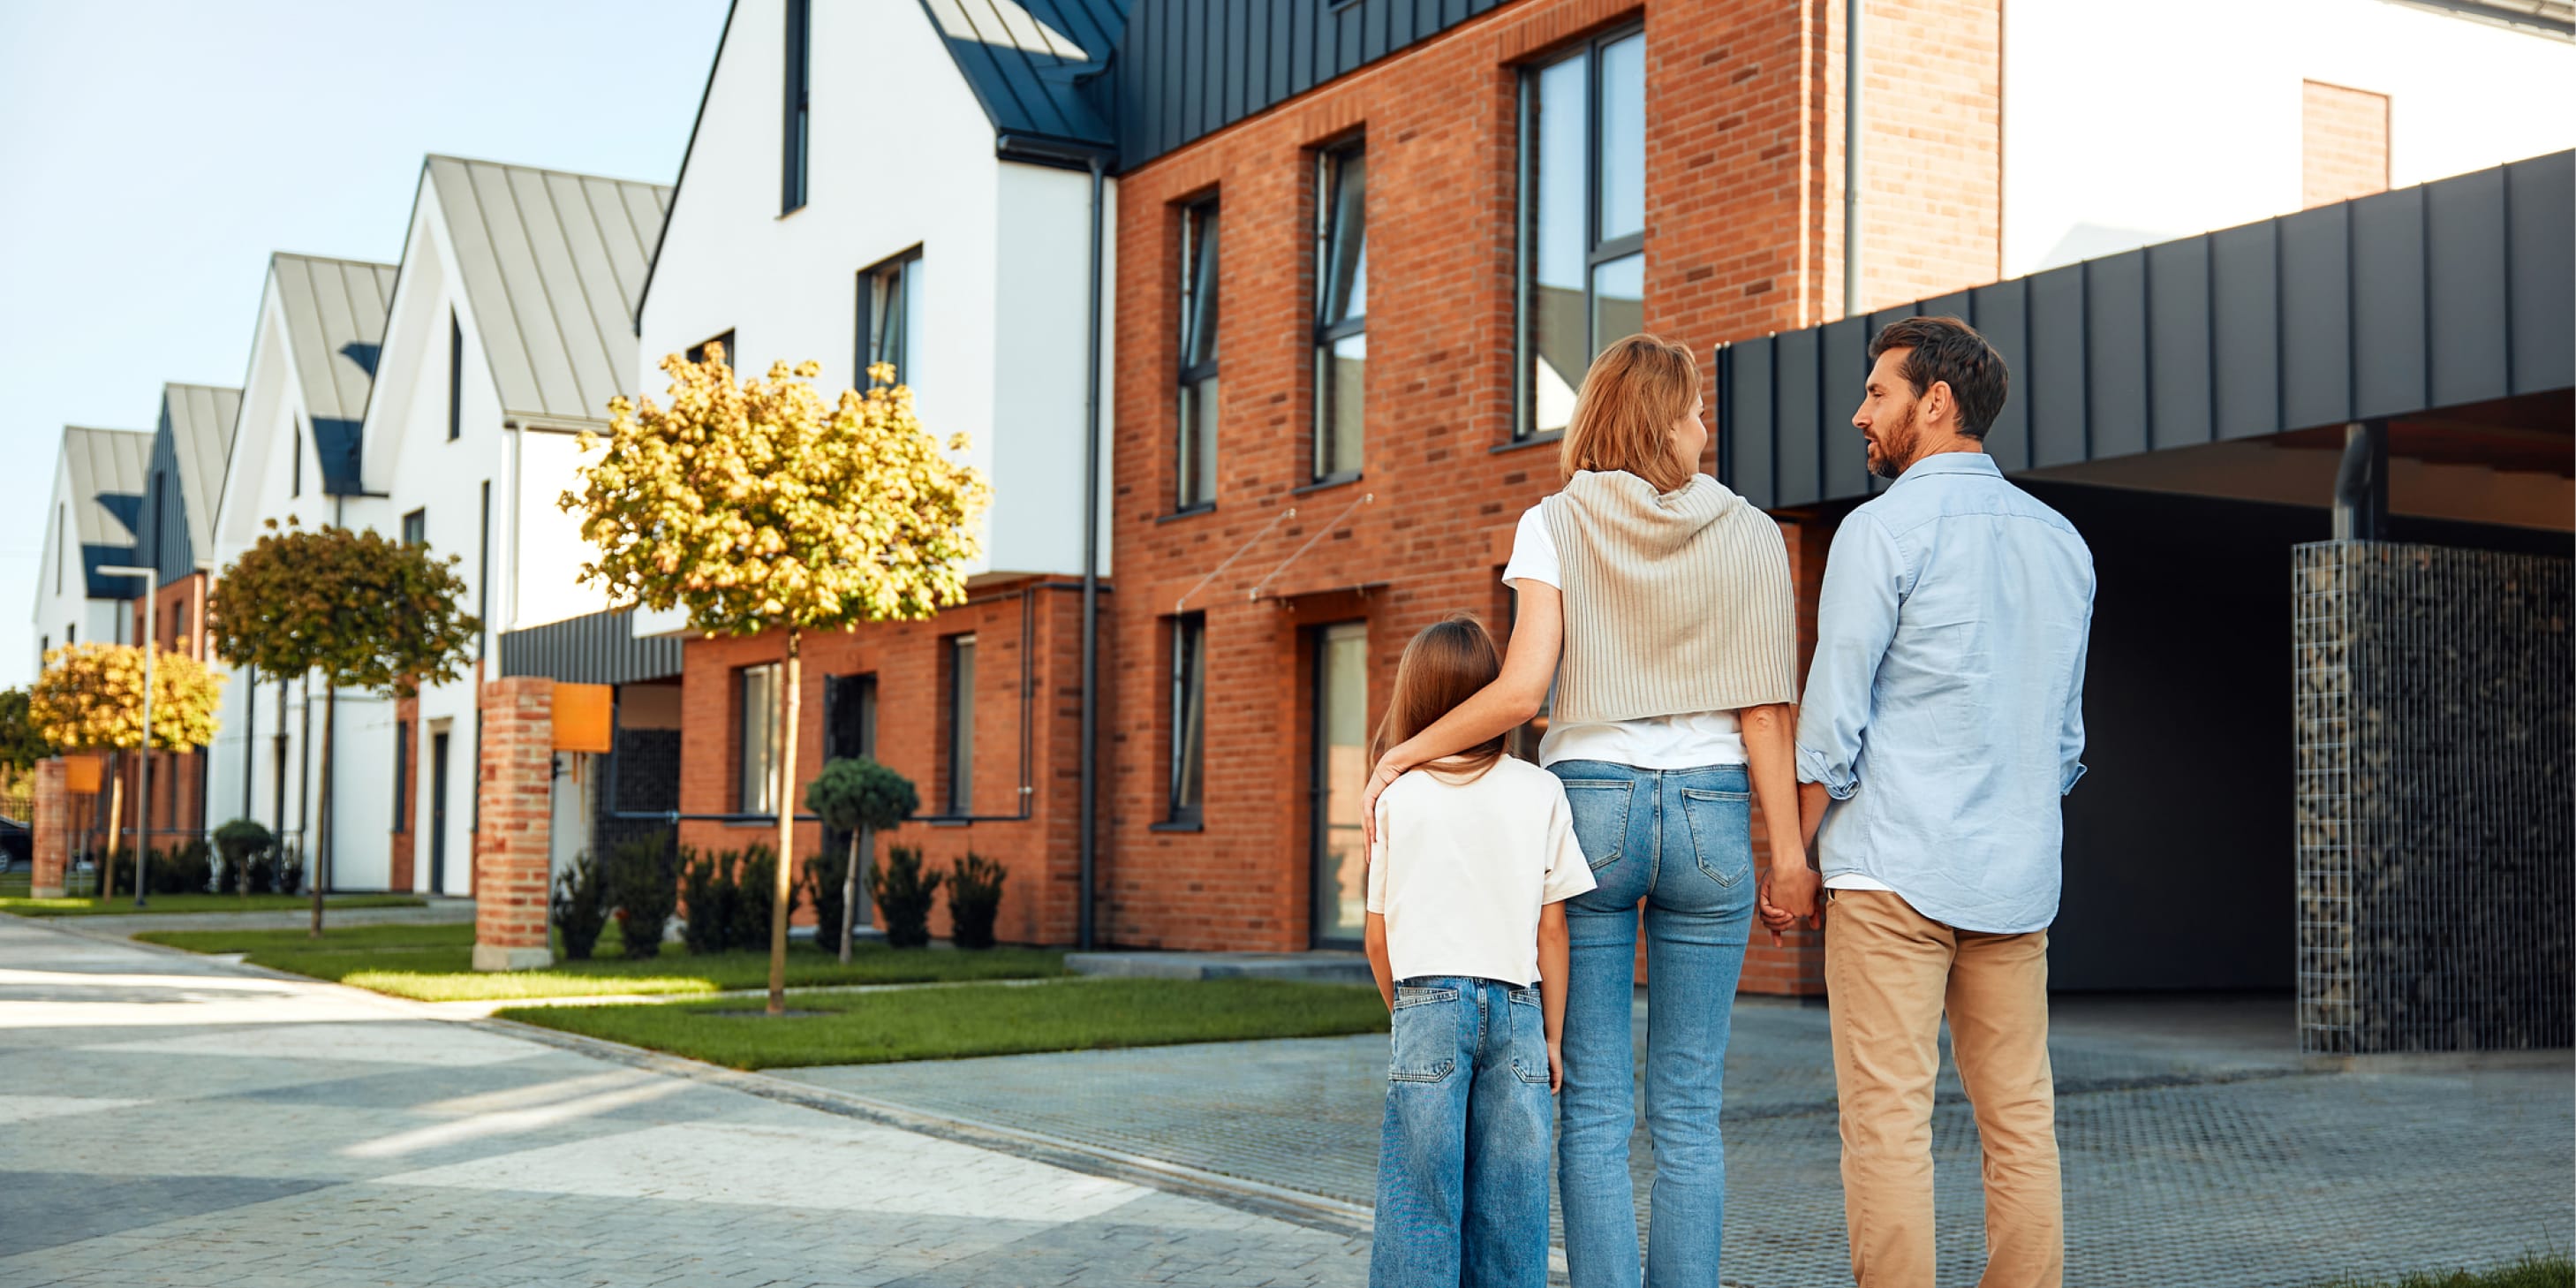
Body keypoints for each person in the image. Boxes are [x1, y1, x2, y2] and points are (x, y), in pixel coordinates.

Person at [1363, 335, 1811, 1288]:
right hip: (1715, 811)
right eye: (1693, 411)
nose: (1702, 428)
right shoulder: (1752, 533)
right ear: (1660, 419)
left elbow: (1523, 693)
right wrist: (1789, 857)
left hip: (1592, 804)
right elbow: (1768, 712)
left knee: (1595, 1106)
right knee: (1689, 1108)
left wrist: (1403, 751)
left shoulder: (1553, 522)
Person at [1766, 314, 2095, 1288]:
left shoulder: (1883, 530)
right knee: (2022, 1123)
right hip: (2017, 880)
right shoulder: (2064, 545)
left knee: (1886, 1126)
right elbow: (2065, 738)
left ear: (1936, 402)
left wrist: (1793, 857)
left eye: (1877, 393)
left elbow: (1832, 721)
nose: (1858, 413)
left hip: (1892, 874)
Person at [1363, 614, 1595, 1288]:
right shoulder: (1539, 789)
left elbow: (1378, 938)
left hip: (1425, 1001)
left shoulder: (1395, 796)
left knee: (1419, 1194)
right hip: (1520, 1009)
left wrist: (1405, 1011)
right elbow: (1553, 932)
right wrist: (1551, 1036)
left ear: (1414, 695)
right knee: (1512, 1203)